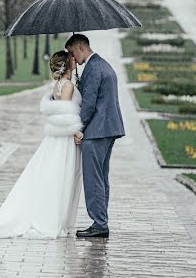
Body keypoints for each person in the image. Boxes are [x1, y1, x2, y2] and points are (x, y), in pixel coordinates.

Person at [0, 50, 84, 239]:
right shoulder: (67, 85)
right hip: (64, 139)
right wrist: (76, 130)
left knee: (54, 175)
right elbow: (64, 113)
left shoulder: (57, 86)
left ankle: (57, 217)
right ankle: (53, 219)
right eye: (72, 58)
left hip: (55, 137)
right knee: (62, 175)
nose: (75, 59)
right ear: (67, 63)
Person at [65, 33, 125, 239]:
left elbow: (89, 104)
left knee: (93, 179)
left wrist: (79, 127)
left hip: (97, 131)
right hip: (107, 129)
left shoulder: (93, 68)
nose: (72, 58)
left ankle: (99, 223)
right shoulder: (100, 65)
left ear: (80, 47)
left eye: (71, 52)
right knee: (101, 177)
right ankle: (101, 221)